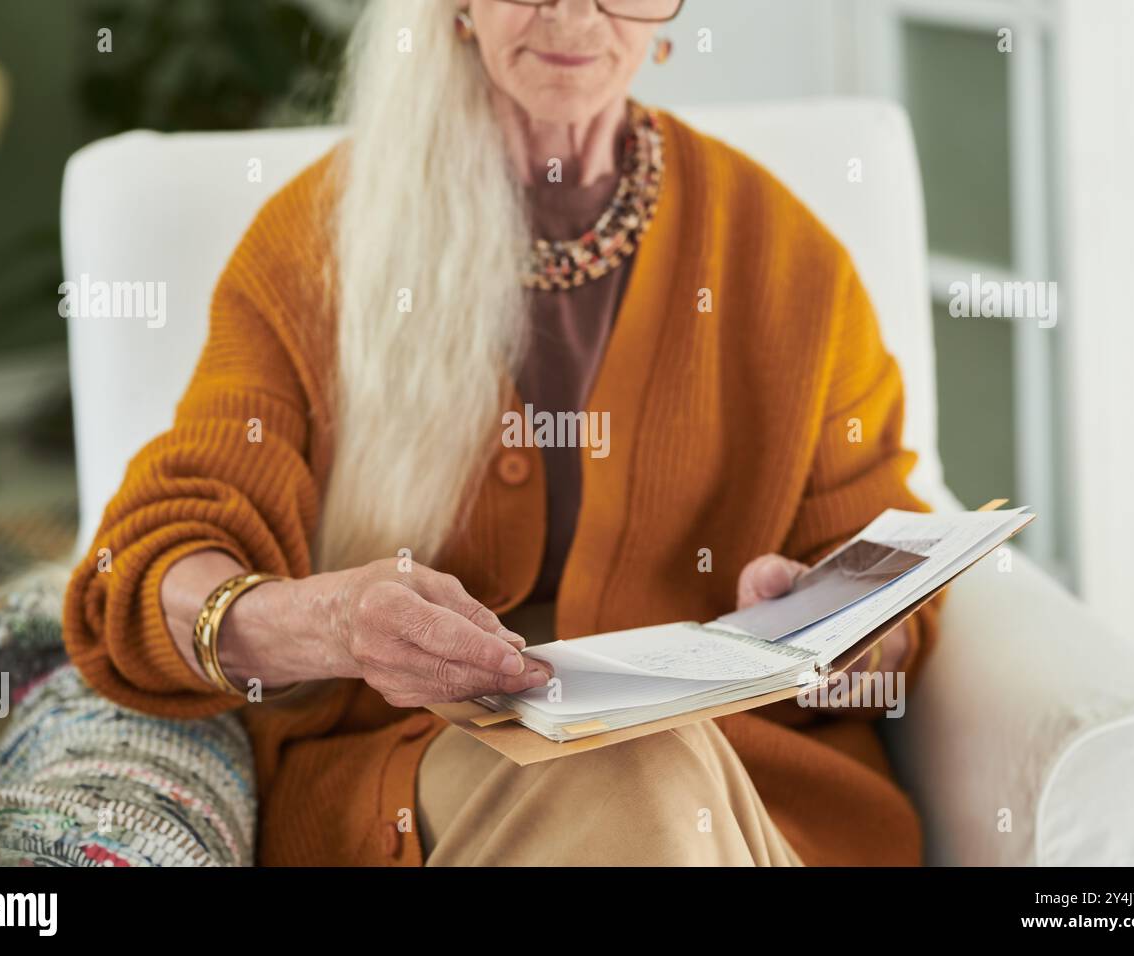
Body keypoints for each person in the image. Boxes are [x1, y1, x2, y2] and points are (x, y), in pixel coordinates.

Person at [64, 0, 940, 866]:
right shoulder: (314, 247)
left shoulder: (787, 256)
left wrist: (834, 633)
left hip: (758, 789)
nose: (574, 13)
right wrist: (331, 623)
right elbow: (143, 571)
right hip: (419, 775)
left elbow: (892, 607)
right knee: (626, 763)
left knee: (647, 754)